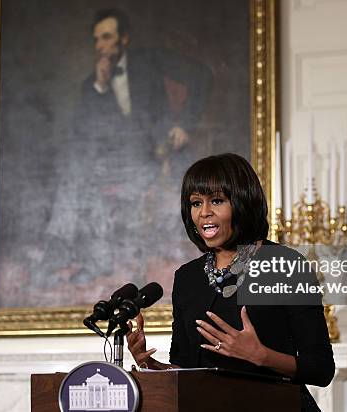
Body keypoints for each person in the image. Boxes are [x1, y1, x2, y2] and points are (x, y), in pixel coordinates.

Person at [126, 153, 335, 411]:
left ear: (243, 203)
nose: (204, 213)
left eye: (216, 201)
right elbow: (188, 367)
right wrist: (154, 368)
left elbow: (322, 369)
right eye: (195, 203)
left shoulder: (286, 265)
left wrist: (261, 355)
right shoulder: (187, 277)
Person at [39, 8, 213, 288]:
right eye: (97, 40)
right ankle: (71, 254)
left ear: (124, 39)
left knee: (82, 180)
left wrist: (184, 125)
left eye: (107, 37)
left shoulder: (151, 62)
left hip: (152, 158)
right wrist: (100, 86)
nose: (101, 46)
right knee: (75, 178)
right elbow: (81, 134)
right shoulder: (91, 86)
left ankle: (83, 258)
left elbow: (202, 74)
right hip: (110, 165)